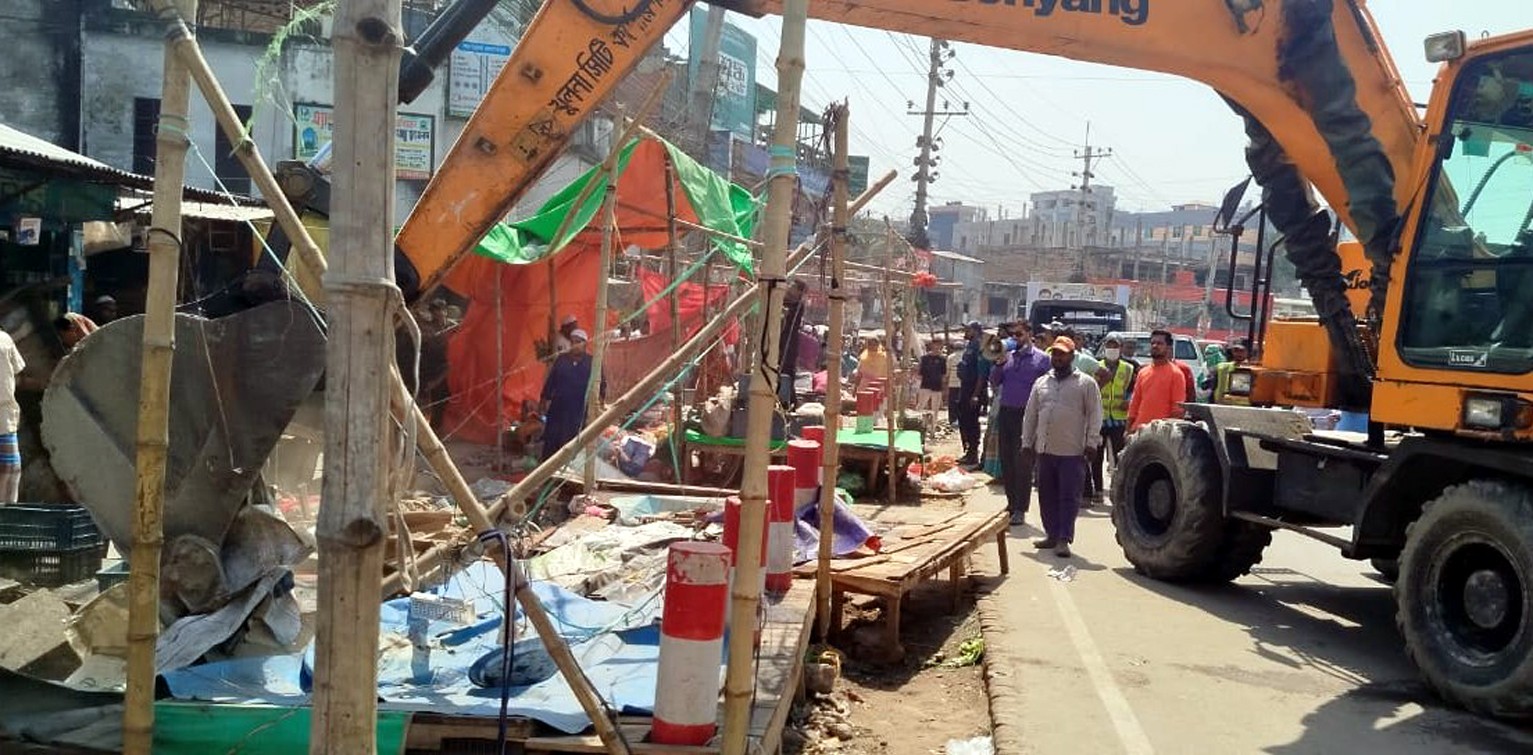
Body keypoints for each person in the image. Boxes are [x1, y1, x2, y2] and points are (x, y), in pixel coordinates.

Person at [1021, 336, 1102, 557]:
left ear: (1072, 357)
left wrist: (1092, 443)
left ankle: (1064, 538)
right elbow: (1030, 415)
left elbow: (1095, 415)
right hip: (1045, 450)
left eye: (1062, 354)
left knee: (1068, 496)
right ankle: (1051, 535)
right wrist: (1027, 443)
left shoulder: (1086, 383)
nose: (1057, 357)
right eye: (1055, 353)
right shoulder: (1041, 383)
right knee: (1046, 495)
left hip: (1072, 452)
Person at [989, 321, 1050, 525]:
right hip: (1007, 413)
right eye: (1013, 334)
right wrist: (998, 363)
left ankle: (1021, 508)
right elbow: (995, 382)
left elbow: (1049, 387)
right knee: (1007, 460)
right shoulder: (1008, 358)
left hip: (1028, 415)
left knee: (1023, 462)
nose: (1016, 338)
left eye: (1020, 334)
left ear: (1030, 334)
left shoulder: (1042, 360)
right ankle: (1011, 503)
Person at [539, 329, 605, 463]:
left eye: (578, 342)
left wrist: (600, 403)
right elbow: (551, 381)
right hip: (559, 408)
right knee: (553, 439)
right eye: (573, 342)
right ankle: (548, 471)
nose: (575, 344)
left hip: (579, 410)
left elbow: (601, 384)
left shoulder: (592, 362)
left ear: (585, 344)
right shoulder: (561, 360)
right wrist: (544, 399)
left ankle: (568, 472)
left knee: (573, 441)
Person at [1092, 336, 1136, 504]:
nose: (1112, 348)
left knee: (1119, 457)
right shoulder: (1097, 366)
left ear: (1121, 347)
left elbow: (1134, 389)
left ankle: (1117, 489)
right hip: (1099, 417)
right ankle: (1097, 490)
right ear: (1104, 347)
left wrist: (1129, 401)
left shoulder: (1129, 368)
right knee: (1096, 456)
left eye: (1115, 345)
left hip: (1118, 419)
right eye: (1109, 345)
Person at [1126, 329, 1189, 433]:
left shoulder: (1176, 374)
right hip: (1139, 430)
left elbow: (1177, 410)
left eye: (1159, 343)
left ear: (1168, 348)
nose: (1155, 346)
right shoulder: (1143, 372)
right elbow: (1135, 403)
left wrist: (1167, 433)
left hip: (1161, 435)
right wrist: (1128, 429)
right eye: (1153, 343)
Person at [418, 299, 456, 432]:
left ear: (445, 312)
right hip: (432, 366)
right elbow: (425, 338)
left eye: (440, 310)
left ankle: (441, 428)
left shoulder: (453, 327)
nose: (438, 314)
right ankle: (432, 429)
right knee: (433, 400)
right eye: (435, 311)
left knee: (445, 400)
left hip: (448, 365)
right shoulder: (428, 328)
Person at [955, 321, 987, 466]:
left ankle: (973, 453)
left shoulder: (979, 346)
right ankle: (968, 451)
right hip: (965, 387)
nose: (965, 332)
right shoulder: (971, 345)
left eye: (967, 329)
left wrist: (975, 394)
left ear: (974, 330)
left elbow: (981, 373)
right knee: (964, 420)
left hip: (973, 389)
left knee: (971, 422)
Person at [0, 327, 24, 503]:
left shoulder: (4, 340)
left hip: (4, 416)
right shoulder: (4, 339)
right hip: (4, 416)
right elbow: (18, 370)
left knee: (9, 469)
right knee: (10, 469)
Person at [916, 339, 947, 421]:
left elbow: (944, 374)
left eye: (939, 345)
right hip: (925, 385)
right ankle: (918, 424)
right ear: (931, 345)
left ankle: (933, 429)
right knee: (920, 406)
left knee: (935, 410)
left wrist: (944, 388)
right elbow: (920, 373)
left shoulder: (942, 359)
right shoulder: (925, 358)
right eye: (935, 344)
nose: (936, 347)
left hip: (937, 387)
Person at [1214, 338, 1251, 405]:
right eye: (1236, 350)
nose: (1238, 353)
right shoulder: (1222, 368)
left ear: (1248, 352)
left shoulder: (1253, 370)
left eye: (1242, 350)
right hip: (1222, 405)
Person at [945, 339, 964, 427]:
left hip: (953, 383)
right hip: (964, 384)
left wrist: (945, 382)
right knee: (962, 402)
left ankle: (952, 419)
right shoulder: (965, 356)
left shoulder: (951, 357)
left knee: (952, 402)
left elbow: (947, 372)